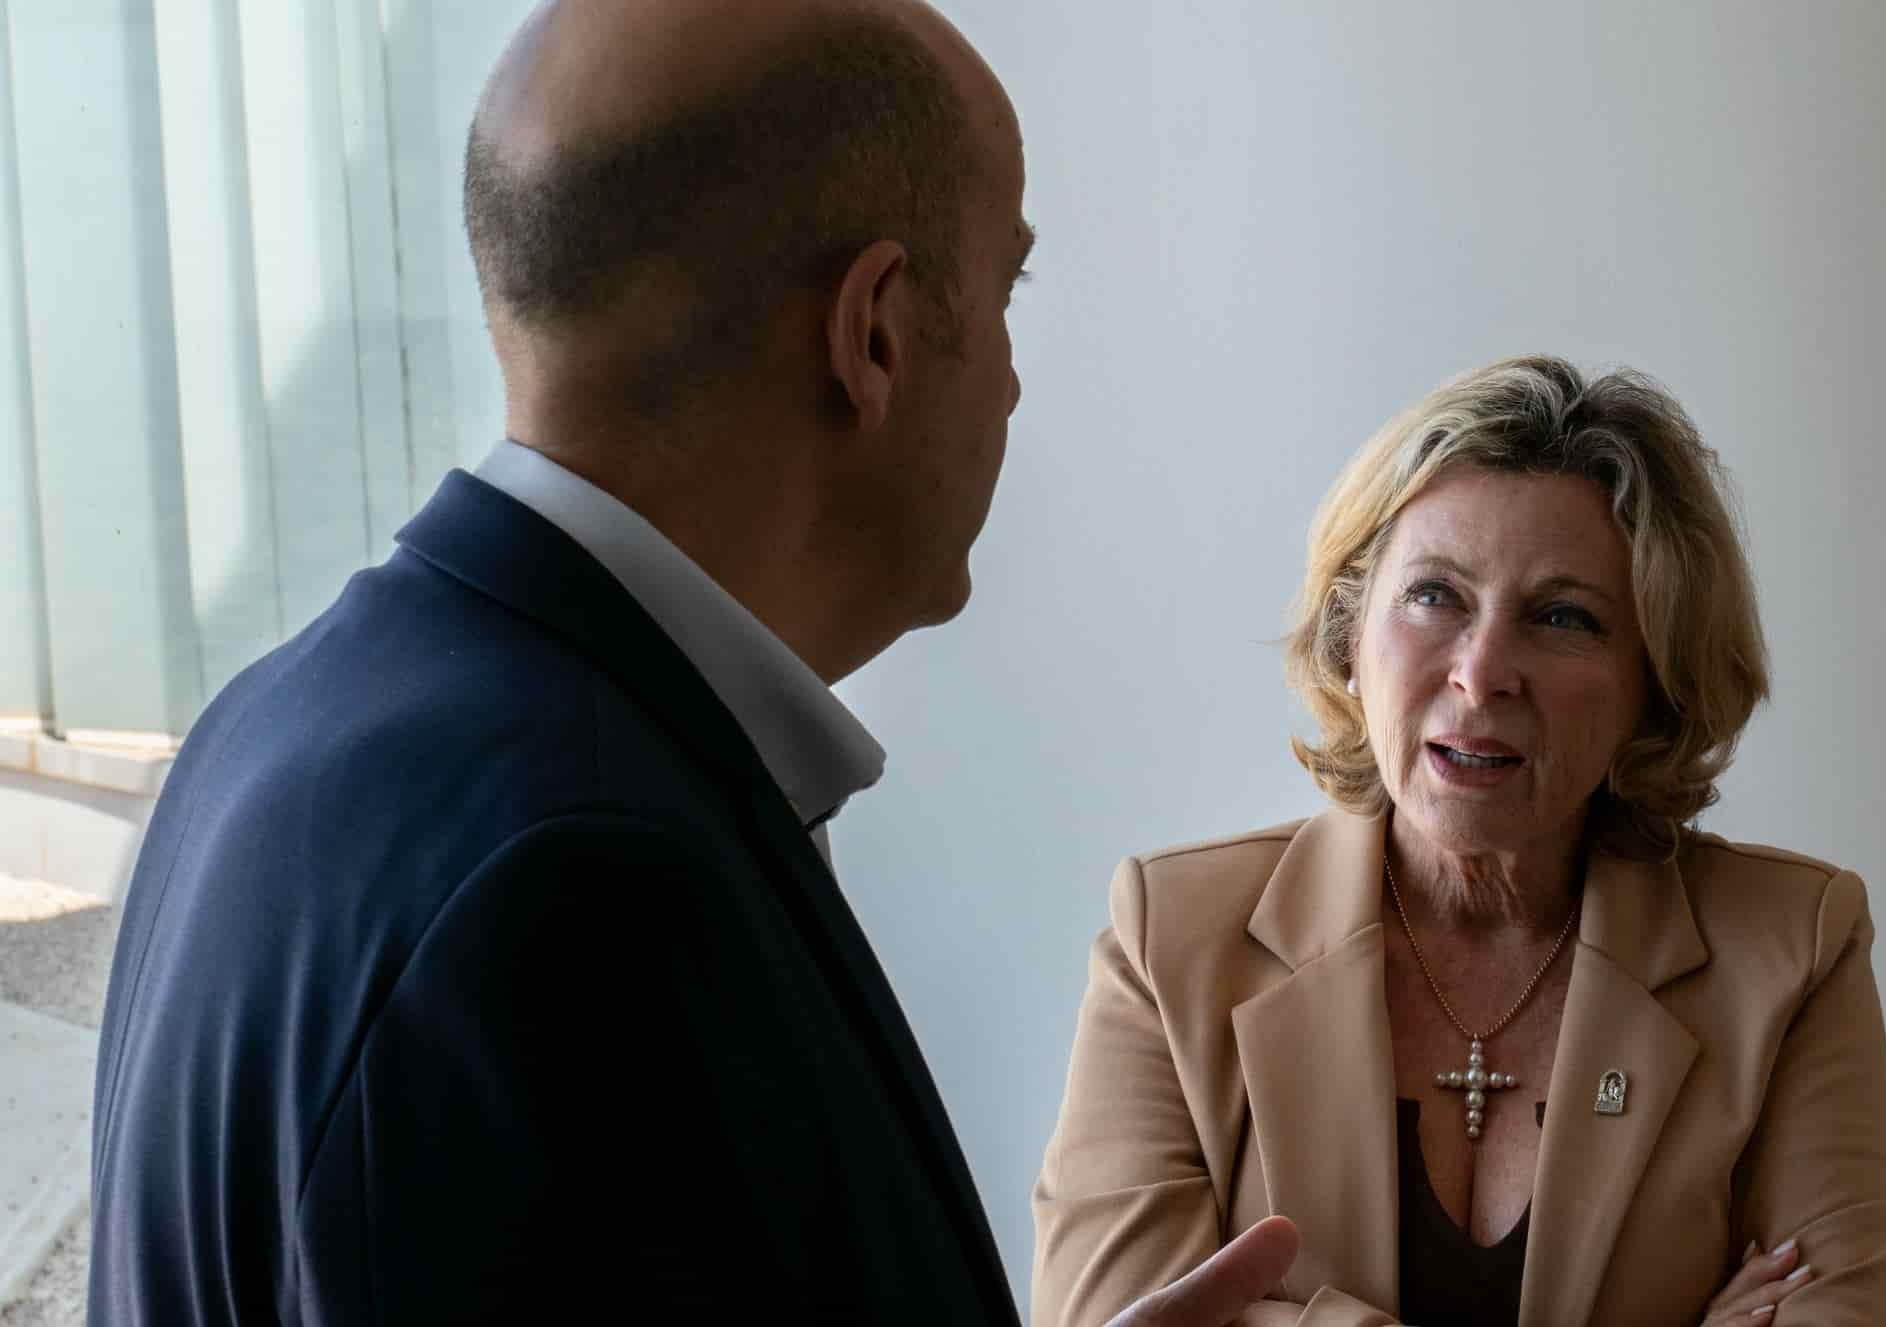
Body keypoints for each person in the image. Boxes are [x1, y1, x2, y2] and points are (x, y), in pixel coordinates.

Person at [86, 1, 1297, 1321]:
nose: (1011, 382)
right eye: (1006, 291)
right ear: (875, 332)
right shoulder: (571, 891)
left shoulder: (278, 721)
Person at [1033, 356, 1886, 1327]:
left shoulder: (1791, 951)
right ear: (1349, 633)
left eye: (1563, 616)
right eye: (1434, 595)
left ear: (1654, 683)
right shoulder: (1169, 940)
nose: (1482, 671)